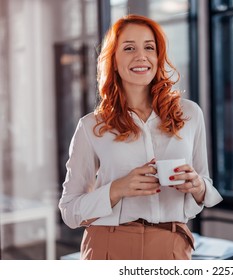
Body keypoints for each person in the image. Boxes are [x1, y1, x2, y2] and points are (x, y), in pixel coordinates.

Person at [58, 14, 223, 260]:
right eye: (129, 48)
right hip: (108, 246)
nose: (141, 56)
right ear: (113, 60)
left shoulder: (189, 114)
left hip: (171, 246)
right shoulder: (91, 126)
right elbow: (70, 211)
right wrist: (117, 189)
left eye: (149, 47)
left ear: (158, 56)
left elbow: (205, 186)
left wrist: (197, 185)